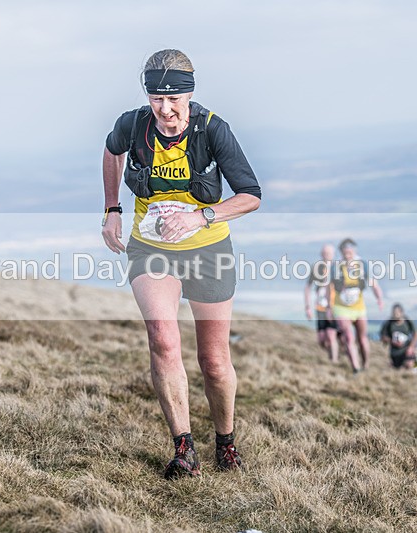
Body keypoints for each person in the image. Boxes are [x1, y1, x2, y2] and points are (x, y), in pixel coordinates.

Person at [101, 49, 261, 479]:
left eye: (174, 100)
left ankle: (225, 442)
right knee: (163, 338)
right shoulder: (132, 125)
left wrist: (199, 216)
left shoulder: (212, 130)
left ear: (189, 95)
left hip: (208, 249)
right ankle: (183, 450)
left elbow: (250, 195)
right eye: (157, 100)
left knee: (214, 360)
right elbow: (112, 150)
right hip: (150, 249)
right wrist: (112, 208)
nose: (165, 109)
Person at [331, 238, 383, 373]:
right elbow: (328, 287)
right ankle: (355, 368)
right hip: (341, 307)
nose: (347, 255)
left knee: (362, 338)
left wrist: (379, 298)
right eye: (345, 252)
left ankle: (365, 364)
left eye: (350, 252)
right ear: (341, 253)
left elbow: (373, 283)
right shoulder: (336, 267)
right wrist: (328, 307)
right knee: (349, 336)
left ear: (354, 252)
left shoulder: (362, 265)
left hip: (358, 308)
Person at [304, 244, 339, 363]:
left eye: (329, 253)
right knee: (322, 340)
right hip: (320, 307)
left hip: (334, 307)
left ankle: (334, 361)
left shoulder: (337, 268)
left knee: (331, 335)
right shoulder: (316, 268)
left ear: (333, 255)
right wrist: (307, 307)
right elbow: (307, 287)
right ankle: (331, 353)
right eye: (325, 253)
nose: (327, 255)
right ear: (321, 254)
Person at [380, 303, 417, 373]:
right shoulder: (389, 323)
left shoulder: (407, 321)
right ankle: (411, 369)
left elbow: (416, 333)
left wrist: (411, 347)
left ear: (401, 312)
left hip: (408, 349)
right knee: (409, 365)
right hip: (396, 353)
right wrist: (392, 341)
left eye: (397, 313)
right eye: (393, 313)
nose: (395, 315)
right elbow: (383, 337)